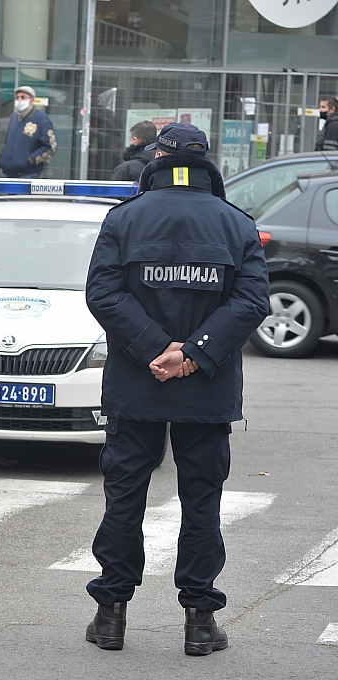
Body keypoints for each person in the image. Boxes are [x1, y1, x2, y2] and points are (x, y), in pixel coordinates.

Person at [83, 123, 269, 655]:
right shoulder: (236, 223)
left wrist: (156, 348)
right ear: (205, 162)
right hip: (205, 386)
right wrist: (193, 353)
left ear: (157, 159)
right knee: (201, 501)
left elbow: (102, 294)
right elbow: (252, 302)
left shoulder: (124, 218)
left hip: (137, 382)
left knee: (125, 497)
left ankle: (111, 614)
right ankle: (200, 621)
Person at [0, 85, 56, 180]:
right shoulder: (14, 118)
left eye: (23, 97)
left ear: (31, 100)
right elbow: (7, 141)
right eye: (17, 97)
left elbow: (50, 147)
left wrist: (32, 159)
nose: (19, 100)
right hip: (9, 173)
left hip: (29, 174)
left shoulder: (41, 119)